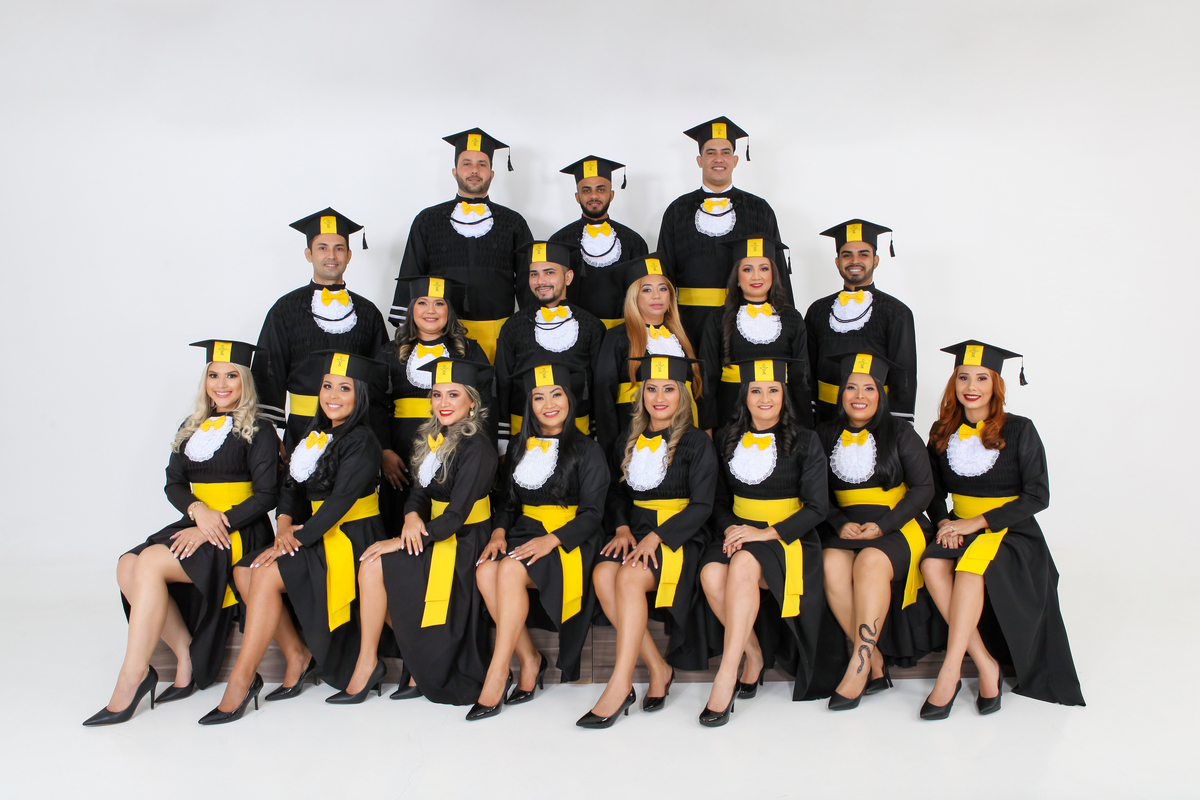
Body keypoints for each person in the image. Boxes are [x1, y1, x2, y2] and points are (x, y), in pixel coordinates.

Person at [84, 340, 279, 726]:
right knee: (127, 566)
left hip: (238, 530)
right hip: (198, 520)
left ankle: (132, 677)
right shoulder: (190, 426)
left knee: (150, 562)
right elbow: (173, 483)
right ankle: (186, 657)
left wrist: (213, 525)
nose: (220, 384)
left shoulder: (260, 429)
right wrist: (197, 511)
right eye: (213, 375)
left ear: (245, 382)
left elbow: (266, 496)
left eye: (231, 376)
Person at [199, 350, 385, 723]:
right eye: (327, 386)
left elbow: (338, 504)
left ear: (360, 395)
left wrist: (292, 542)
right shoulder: (312, 434)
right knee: (244, 570)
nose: (332, 395)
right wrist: (283, 526)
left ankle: (241, 680)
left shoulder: (362, 440)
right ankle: (297, 656)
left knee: (264, 572)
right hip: (311, 530)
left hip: (351, 536)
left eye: (344, 388)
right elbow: (290, 486)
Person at [919, 341, 1084, 718]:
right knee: (931, 564)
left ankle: (950, 672)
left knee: (969, 571)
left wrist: (976, 523)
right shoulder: (942, 430)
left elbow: (1038, 496)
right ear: (953, 382)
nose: (971, 386)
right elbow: (933, 491)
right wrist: (944, 522)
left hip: (1011, 531)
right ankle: (985, 662)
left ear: (996, 384)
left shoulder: (1020, 429)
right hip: (960, 526)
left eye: (981, 378)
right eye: (963, 377)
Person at [348, 358, 497, 705]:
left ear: (472, 401)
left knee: (376, 563)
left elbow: (456, 515)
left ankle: (417, 663)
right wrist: (412, 516)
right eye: (436, 394)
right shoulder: (432, 437)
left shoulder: (478, 447)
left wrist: (399, 540)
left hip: (464, 540)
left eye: (453, 395)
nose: (443, 403)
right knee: (370, 565)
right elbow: (419, 489)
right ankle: (369, 662)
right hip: (432, 530)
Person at [578, 355, 717, 728]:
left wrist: (658, 536)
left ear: (682, 394)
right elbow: (616, 493)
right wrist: (622, 528)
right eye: (651, 389)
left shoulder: (696, 443)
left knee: (628, 577)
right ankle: (658, 667)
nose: (659, 397)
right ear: (641, 395)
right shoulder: (628, 438)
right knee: (603, 575)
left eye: (668, 389)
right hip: (636, 530)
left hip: (679, 534)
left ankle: (620, 684)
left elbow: (703, 505)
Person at [472, 357, 609, 720]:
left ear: (570, 399)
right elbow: (507, 503)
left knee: (509, 570)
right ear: (529, 404)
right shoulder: (519, 447)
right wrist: (498, 532)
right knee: (485, 570)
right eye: (539, 397)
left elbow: (593, 514)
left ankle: (498, 673)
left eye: (556, 394)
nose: (549, 404)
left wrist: (553, 540)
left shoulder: (588, 450)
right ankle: (529, 658)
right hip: (526, 531)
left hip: (570, 539)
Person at [698, 358, 828, 725]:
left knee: (742, 563)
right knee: (710, 574)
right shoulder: (725, 438)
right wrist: (731, 529)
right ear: (744, 396)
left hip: (787, 536)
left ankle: (726, 677)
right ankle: (753, 655)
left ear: (784, 395)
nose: (765, 398)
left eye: (773, 390)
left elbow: (817, 508)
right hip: (740, 529)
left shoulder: (806, 440)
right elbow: (719, 501)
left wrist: (765, 533)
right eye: (756, 390)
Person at [817, 349, 934, 710]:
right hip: (847, 527)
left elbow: (924, 489)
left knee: (869, 562)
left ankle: (859, 666)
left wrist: (884, 526)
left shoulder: (901, 432)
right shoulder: (824, 434)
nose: (859, 396)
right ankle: (876, 662)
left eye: (868, 388)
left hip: (898, 524)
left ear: (881, 393)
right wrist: (840, 522)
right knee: (830, 564)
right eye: (851, 387)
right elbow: (815, 492)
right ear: (841, 392)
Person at [388, 128, 533, 362]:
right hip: (441, 336)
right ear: (455, 171)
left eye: (481, 164)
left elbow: (528, 280)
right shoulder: (428, 220)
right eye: (467, 164)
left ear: (492, 173)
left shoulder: (513, 222)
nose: (474, 170)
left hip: (500, 337)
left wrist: (531, 327)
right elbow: (412, 273)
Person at [252, 208, 387, 449]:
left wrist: (383, 443)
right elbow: (267, 375)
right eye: (322, 248)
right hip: (300, 430)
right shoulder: (285, 309)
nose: (331, 255)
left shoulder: (368, 312)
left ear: (349, 255)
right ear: (309, 254)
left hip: (356, 433)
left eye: (339, 248)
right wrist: (268, 437)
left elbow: (380, 381)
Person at [371, 276, 493, 533]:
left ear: (449, 310)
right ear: (411, 308)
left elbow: (486, 404)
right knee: (402, 515)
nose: (430, 311)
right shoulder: (390, 352)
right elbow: (374, 404)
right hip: (400, 451)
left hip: (455, 447)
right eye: (422, 303)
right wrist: (384, 451)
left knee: (448, 510)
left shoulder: (469, 351)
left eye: (439, 303)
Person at [657, 117, 785, 347]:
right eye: (711, 153)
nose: (718, 159)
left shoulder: (759, 210)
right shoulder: (677, 211)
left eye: (726, 152)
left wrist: (785, 325)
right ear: (699, 160)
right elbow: (664, 275)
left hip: (746, 320)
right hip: (688, 323)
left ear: (735, 160)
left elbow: (777, 272)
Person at [493, 240, 606, 455]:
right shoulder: (513, 326)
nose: (540, 281)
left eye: (549, 272)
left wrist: (599, 434)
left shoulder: (592, 326)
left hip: (578, 436)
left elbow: (599, 387)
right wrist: (503, 441)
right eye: (534, 274)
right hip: (523, 437)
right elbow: (502, 385)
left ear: (568, 277)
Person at [805, 219, 916, 426]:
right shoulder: (817, 310)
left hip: (876, 421)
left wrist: (898, 429)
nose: (854, 261)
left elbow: (904, 377)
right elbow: (807, 371)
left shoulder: (896, 312)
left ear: (876, 260)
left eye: (863, 254)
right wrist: (807, 420)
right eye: (847, 255)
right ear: (837, 262)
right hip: (824, 419)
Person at [700, 233, 813, 431]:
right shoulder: (718, 318)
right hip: (730, 418)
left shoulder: (792, 318)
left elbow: (800, 377)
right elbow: (708, 377)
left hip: (782, 420)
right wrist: (707, 429)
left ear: (774, 274)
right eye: (747, 269)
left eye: (764, 268)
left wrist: (805, 428)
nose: (756, 276)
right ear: (736, 275)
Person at [593, 254, 702, 459]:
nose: (657, 296)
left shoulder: (683, 337)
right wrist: (610, 451)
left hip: (683, 435)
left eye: (663, 288)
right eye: (647, 290)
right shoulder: (617, 338)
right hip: (632, 438)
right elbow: (603, 398)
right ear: (634, 296)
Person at [550, 155, 648, 328]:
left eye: (601, 190)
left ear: (611, 195)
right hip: (575, 332)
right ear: (577, 196)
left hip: (622, 332)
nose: (594, 196)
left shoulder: (634, 242)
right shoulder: (559, 242)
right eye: (586, 190)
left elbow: (643, 294)